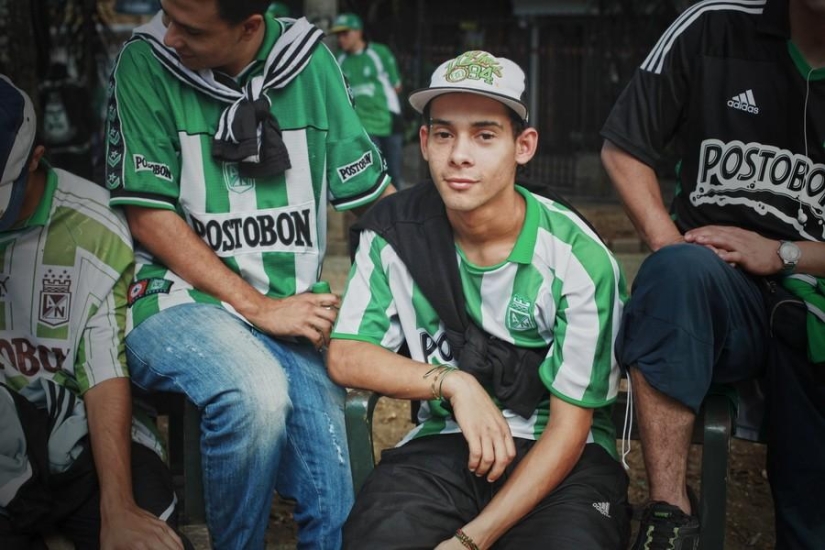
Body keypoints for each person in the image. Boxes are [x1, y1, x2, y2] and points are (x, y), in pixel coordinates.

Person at [104, 0, 393, 548]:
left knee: (336, 490)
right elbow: (148, 216)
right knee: (254, 393)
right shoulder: (146, 62)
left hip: (287, 313)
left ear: (250, 27)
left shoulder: (310, 61)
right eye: (167, 16)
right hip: (177, 299)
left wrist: (447, 274)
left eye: (190, 29)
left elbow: (374, 201)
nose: (170, 36)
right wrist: (258, 308)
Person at [329, 49, 631, 550]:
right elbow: (346, 354)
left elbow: (569, 429)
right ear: (424, 143)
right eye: (444, 134)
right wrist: (454, 383)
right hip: (445, 445)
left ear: (523, 146)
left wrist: (471, 540)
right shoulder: (394, 234)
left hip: (562, 459)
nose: (459, 155)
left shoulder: (578, 257)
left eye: (485, 135)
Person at [599, 0, 825, 548]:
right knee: (675, 273)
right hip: (718, 282)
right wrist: (670, 243)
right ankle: (669, 517)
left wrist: (785, 253)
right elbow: (624, 148)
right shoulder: (713, 26)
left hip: (813, 294)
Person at [0, 74, 189, 549]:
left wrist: (117, 508)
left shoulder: (92, 225)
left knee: (149, 536)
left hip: (83, 435)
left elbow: (102, 369)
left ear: (36, 158)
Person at [330, 13, 407, 189]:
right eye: (338, 35)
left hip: (388, 119)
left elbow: (397, 86)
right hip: (363, 126)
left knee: (394, 173)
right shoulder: (339, 60)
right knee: (374, 175)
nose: (341, 39)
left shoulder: (379, 52)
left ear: (358, 32)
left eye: (345, 33)